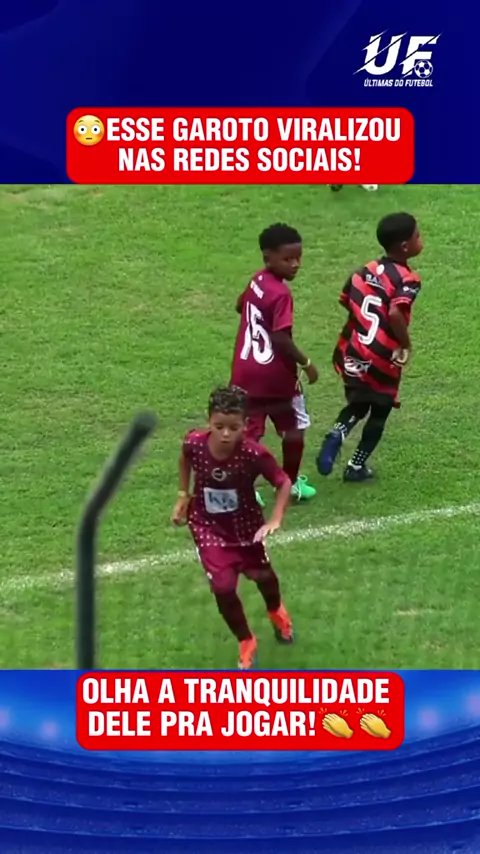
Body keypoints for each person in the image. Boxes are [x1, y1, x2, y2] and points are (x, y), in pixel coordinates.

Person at [172, 385, 293, 670]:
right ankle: (246, 641)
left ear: (246, 424)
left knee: (264, 577)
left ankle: (276, 610)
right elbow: (185, 459)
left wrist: (275, 519)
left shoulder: (254, 454)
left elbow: (283, 481)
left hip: (246, 527)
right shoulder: (194, 443)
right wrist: (183, 495)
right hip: (207, 526)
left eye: (234, 428)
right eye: (219, 427)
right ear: (209, 421)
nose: (226, 434)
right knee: (223, 587)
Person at [316, 211, 423, 482]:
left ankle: (337, 432)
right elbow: (396, 313)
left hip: (354, 350)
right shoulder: (408, 279)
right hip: (383, 356)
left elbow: (346, 299)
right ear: (405, 246)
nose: (420, 240)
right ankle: (355, 467)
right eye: (418, 236)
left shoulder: (363, 271)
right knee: (380, 410)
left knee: (358, 403)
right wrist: (405, 344)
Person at [230, 223, 318, 504]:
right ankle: (288, 483)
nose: (295, 265)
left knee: (250, 432)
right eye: (287, 259)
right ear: (268, 258)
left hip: (244, 373)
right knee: (294, 428)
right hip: (276, 376)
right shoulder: (281, 294)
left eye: (298, 258)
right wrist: (306, 363)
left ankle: (243, 489)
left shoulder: (257, 280)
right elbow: (280, 337)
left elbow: (240, 305)